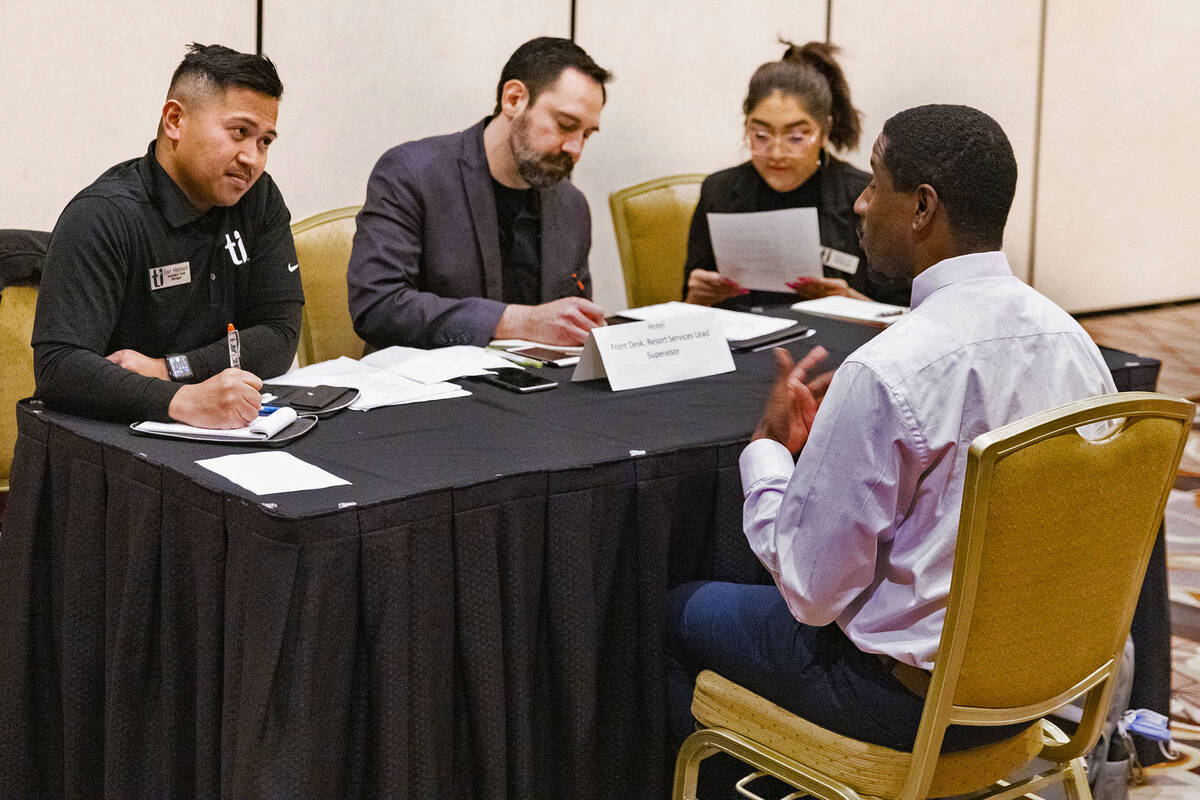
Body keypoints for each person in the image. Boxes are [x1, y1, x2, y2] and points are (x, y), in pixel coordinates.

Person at [667, 105, 1116, 772]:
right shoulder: (1073, 343)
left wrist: (767, 452)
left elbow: (812, 594)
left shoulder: (891, 368)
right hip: (1043, 690)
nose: (861, 202)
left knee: (677, 610)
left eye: (875, 182)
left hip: (904, 703)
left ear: (922, 207)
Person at [32, 44, 302, 429]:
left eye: (265, 142)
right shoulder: (103, 214)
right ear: (175, 120)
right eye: (239, 132)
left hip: (227, 427)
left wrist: (170, 370)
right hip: (117, 439)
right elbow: (59, 368)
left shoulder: (259, 198)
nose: (253, 158)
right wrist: (184, 400)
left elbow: (280, 336)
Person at [347, 37, 611, 350]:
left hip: (539, 391)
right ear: (513, 99)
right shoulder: (412, 173)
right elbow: (378, 308)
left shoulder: (572, 205)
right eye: (566, 124)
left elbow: (571, 326)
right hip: (429, 389)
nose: (576, 148)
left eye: (587, 135)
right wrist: (517, 321)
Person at [683, 41, 910, 309]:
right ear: (746, 127)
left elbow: (904, 318)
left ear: (824, 131)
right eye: (761, 135)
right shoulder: (719, 190)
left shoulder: (864, 198)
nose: (777, 152)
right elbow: (690, 306)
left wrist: (851, 302)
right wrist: (696, 299)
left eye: (796, 137)